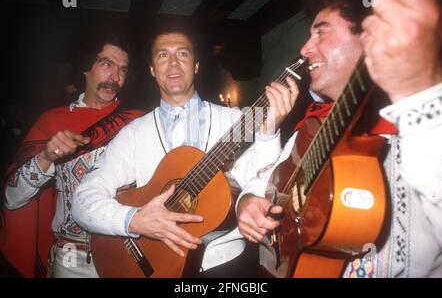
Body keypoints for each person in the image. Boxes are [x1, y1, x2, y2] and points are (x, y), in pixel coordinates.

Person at [236, 0, 442, 278]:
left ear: (370, 34)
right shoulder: (310, 131)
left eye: (321, 32)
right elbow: (268, 185)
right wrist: (246, 204)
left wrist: (417, 92)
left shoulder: (426, 115)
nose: (305, 49)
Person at [72, 24, 299, 277]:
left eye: (182, 54)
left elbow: (263, 189)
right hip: (153, 265)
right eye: (162, 55)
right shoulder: (133, 134)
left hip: (225, 267)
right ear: (151, 70)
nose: (173, 64)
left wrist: (268, 134)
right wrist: (135, 220)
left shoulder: (235, 122)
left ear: (196, 66)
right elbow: (82, 201)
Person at [1, 34, 144, 277]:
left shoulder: (138, 121)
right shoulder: (53, 121)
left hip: (127, 252)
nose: (115, 77)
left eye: (122, 69)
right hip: (72, 259)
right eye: (106, 64)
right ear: (86, 68)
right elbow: (11, 199)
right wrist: (46, 156)